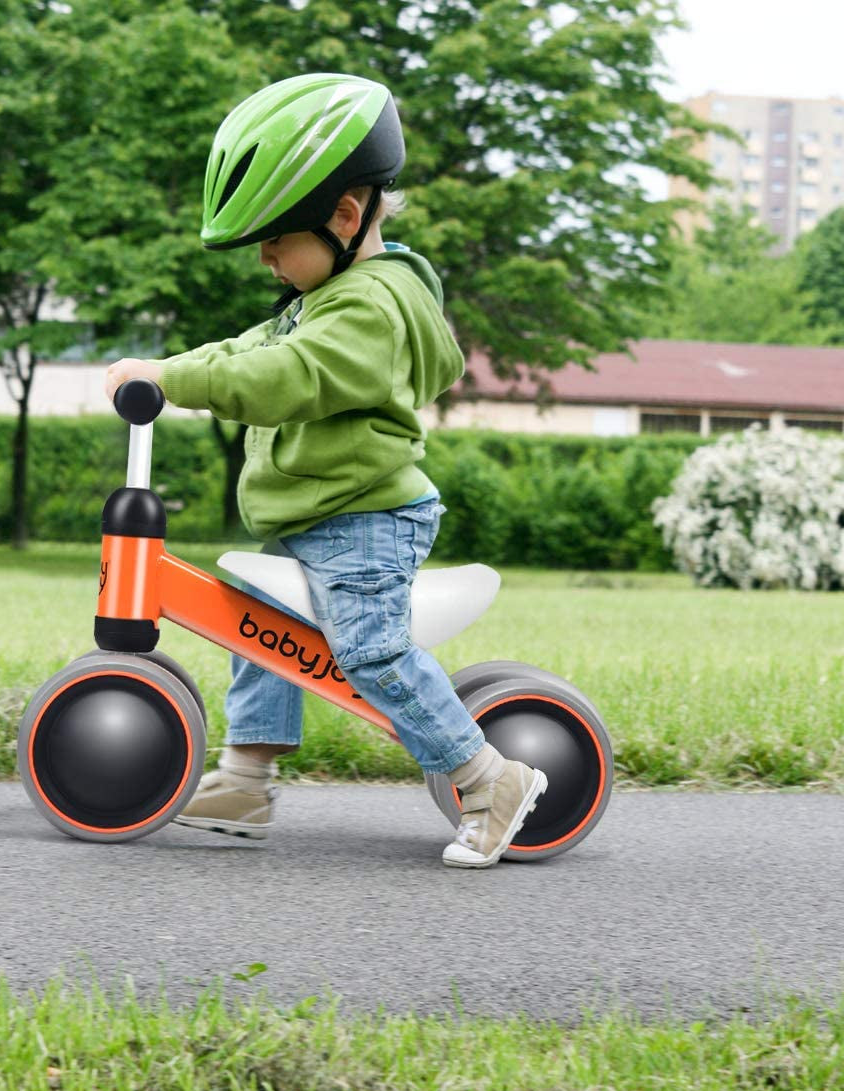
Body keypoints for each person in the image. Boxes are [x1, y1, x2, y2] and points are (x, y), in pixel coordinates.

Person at [104, 73, 546, 868]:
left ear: (345, 218)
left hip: (367, 522)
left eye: (278, 237)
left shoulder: (366, 309)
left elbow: (282, 378)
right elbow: (250, 349)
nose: (269, 258)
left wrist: (179, 383)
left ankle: (489, 778)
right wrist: (166, 367)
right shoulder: (329, 293)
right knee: (254, 622)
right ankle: (246, 776)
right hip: (324, 518)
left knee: (370, 651)